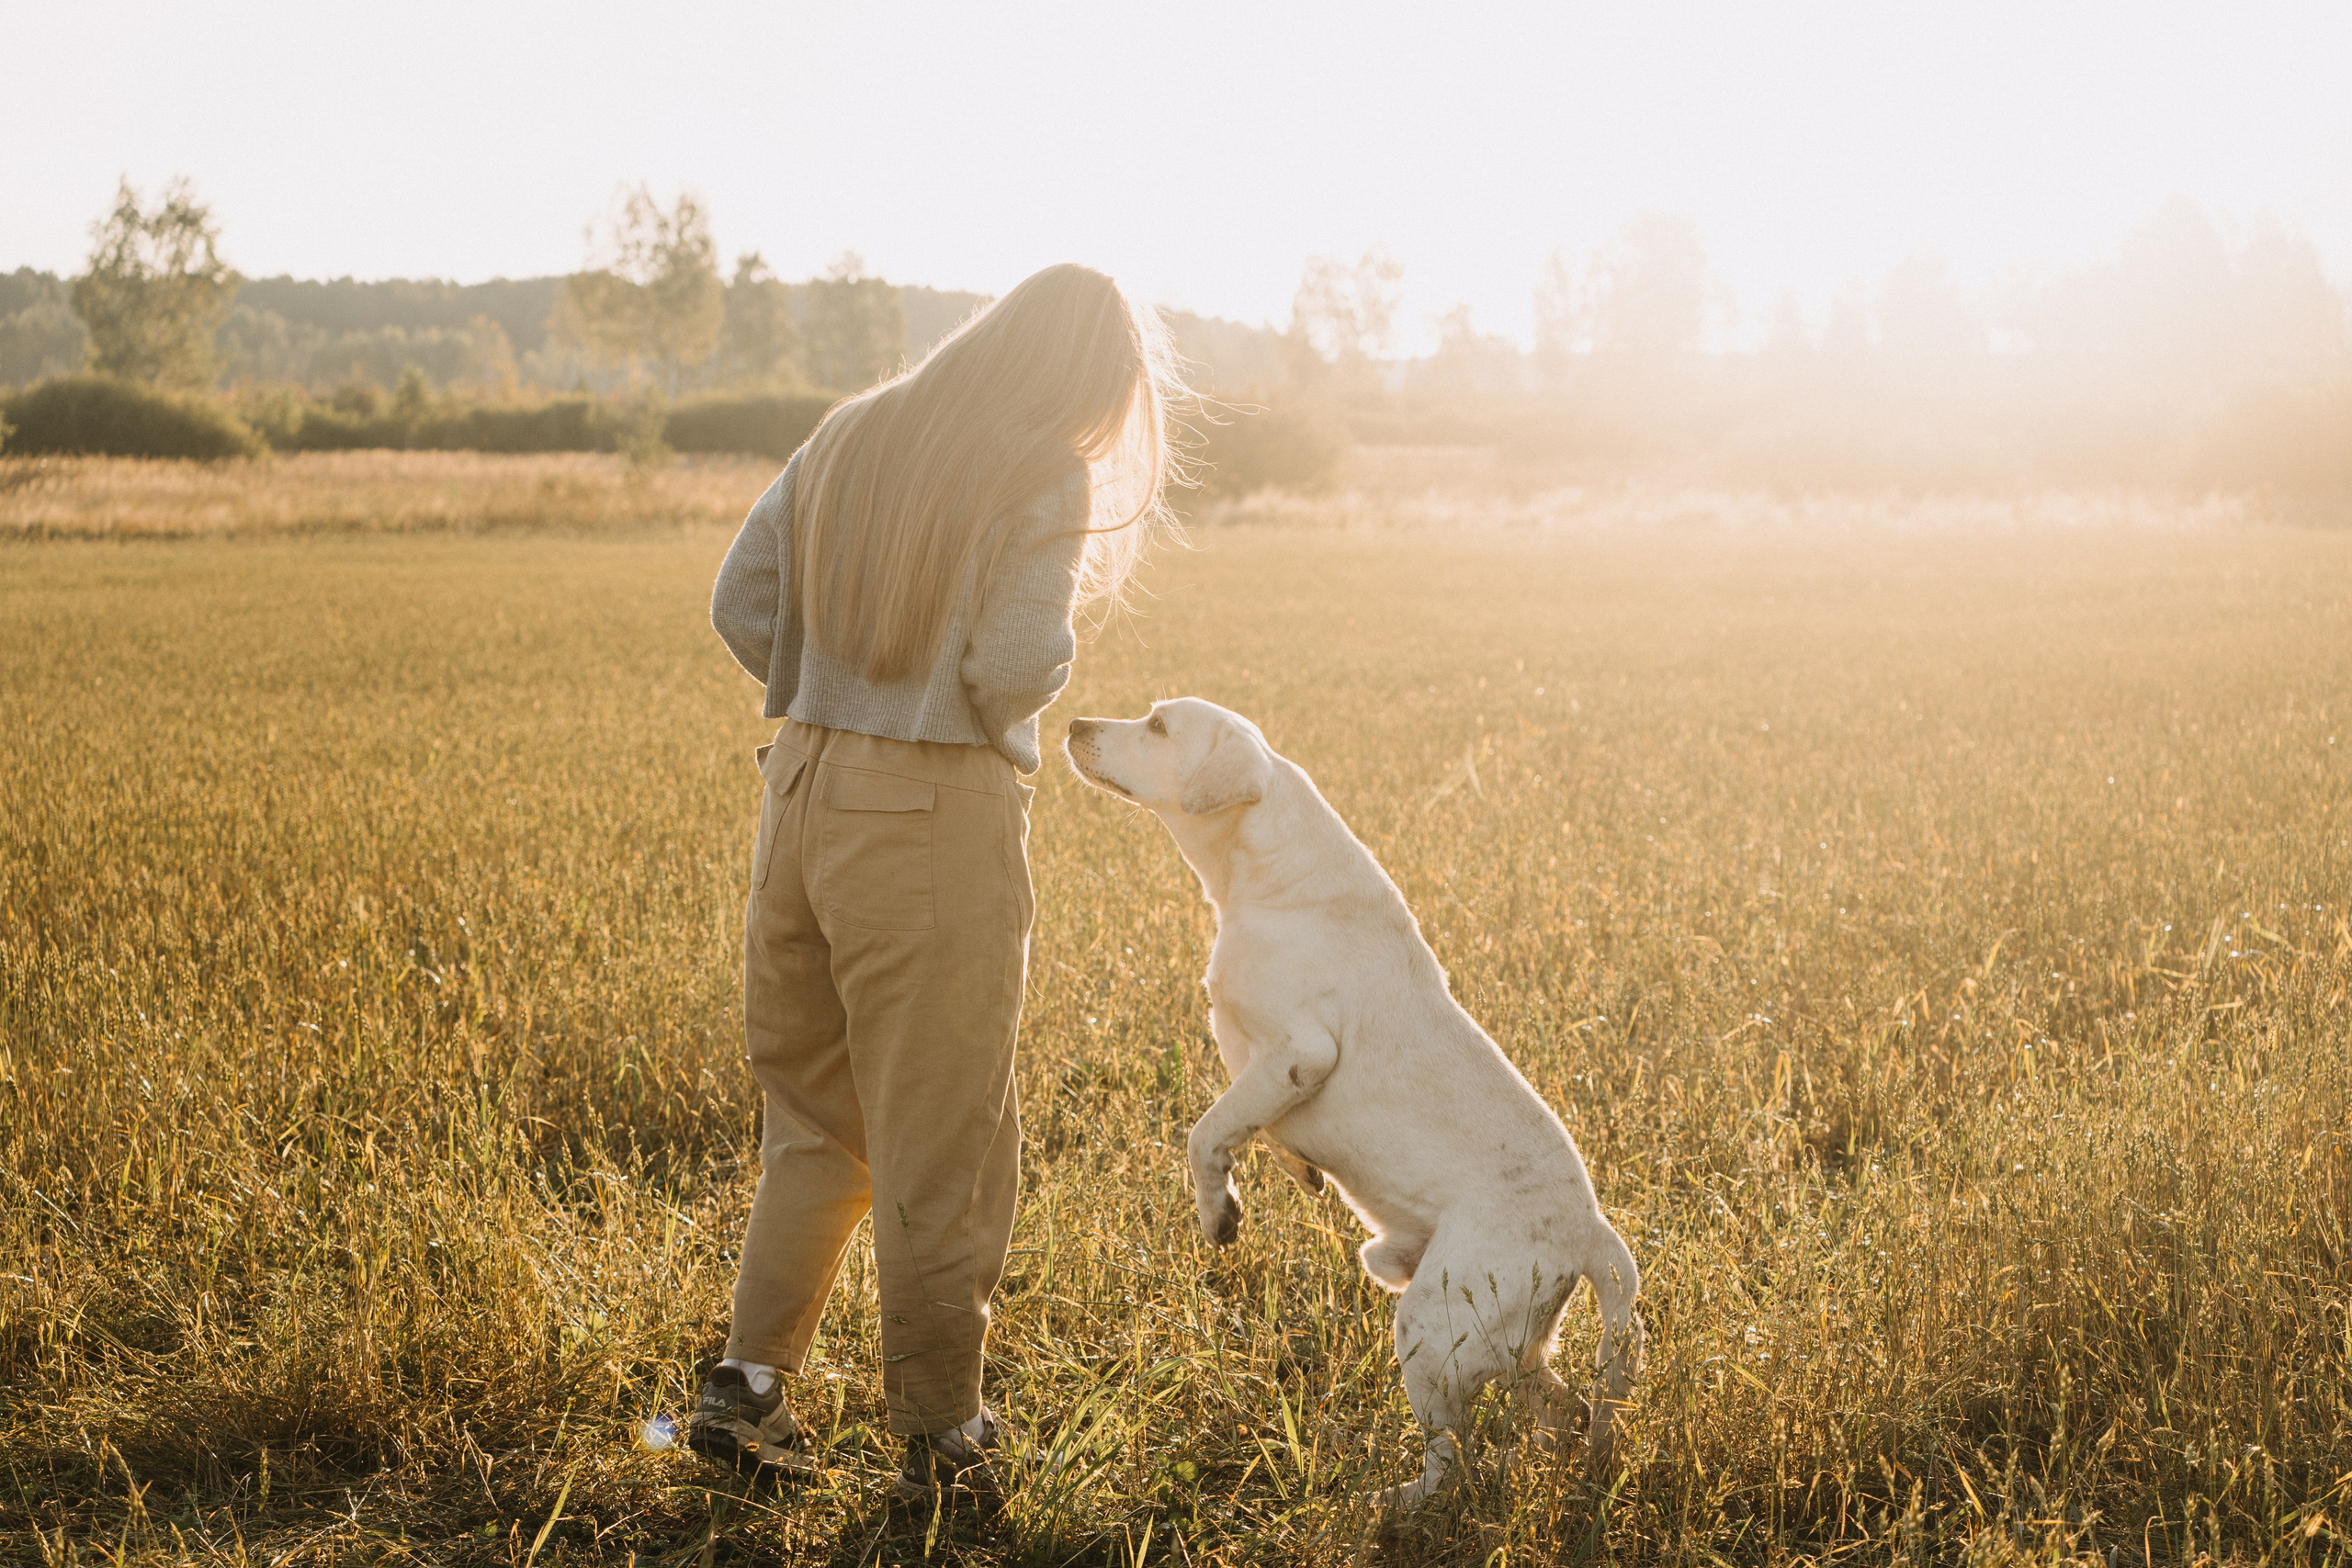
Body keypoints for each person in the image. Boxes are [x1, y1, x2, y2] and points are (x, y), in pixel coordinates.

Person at [694, 264, 1186, 1513]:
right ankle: (942, 1430)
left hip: (796, 792)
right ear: (1083, 382)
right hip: (929, 812)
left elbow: (740, 601)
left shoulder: (850, 430)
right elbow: (1015, 663)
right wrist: (937, 699)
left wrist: (841, 688)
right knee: (945, 1135)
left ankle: (744, 1390)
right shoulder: (1039, 466)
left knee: (818, 1121)